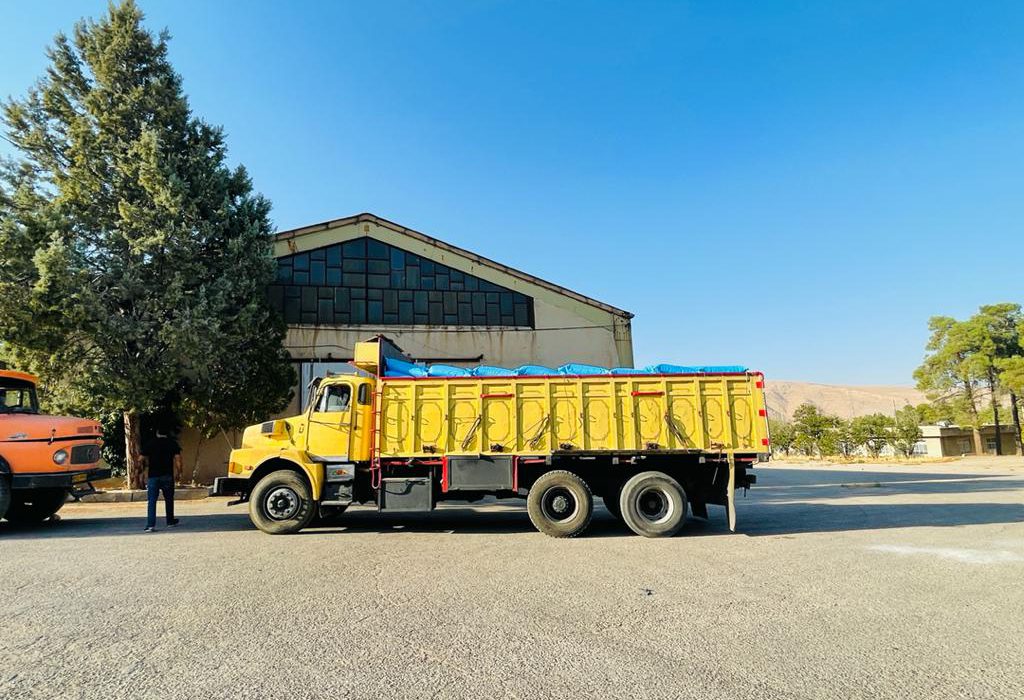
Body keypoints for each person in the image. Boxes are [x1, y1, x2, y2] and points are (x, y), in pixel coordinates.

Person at [142, 428, 182, 532]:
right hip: (167, 475)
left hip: (153, 476)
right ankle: (170, 521)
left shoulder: (150, 443)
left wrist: (142, 471)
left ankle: (150, 525)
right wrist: (179, 472)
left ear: (157, 433)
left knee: (152, 501)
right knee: (169, 499)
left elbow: (140, 459)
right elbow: (178, 460)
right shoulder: (172, 444)